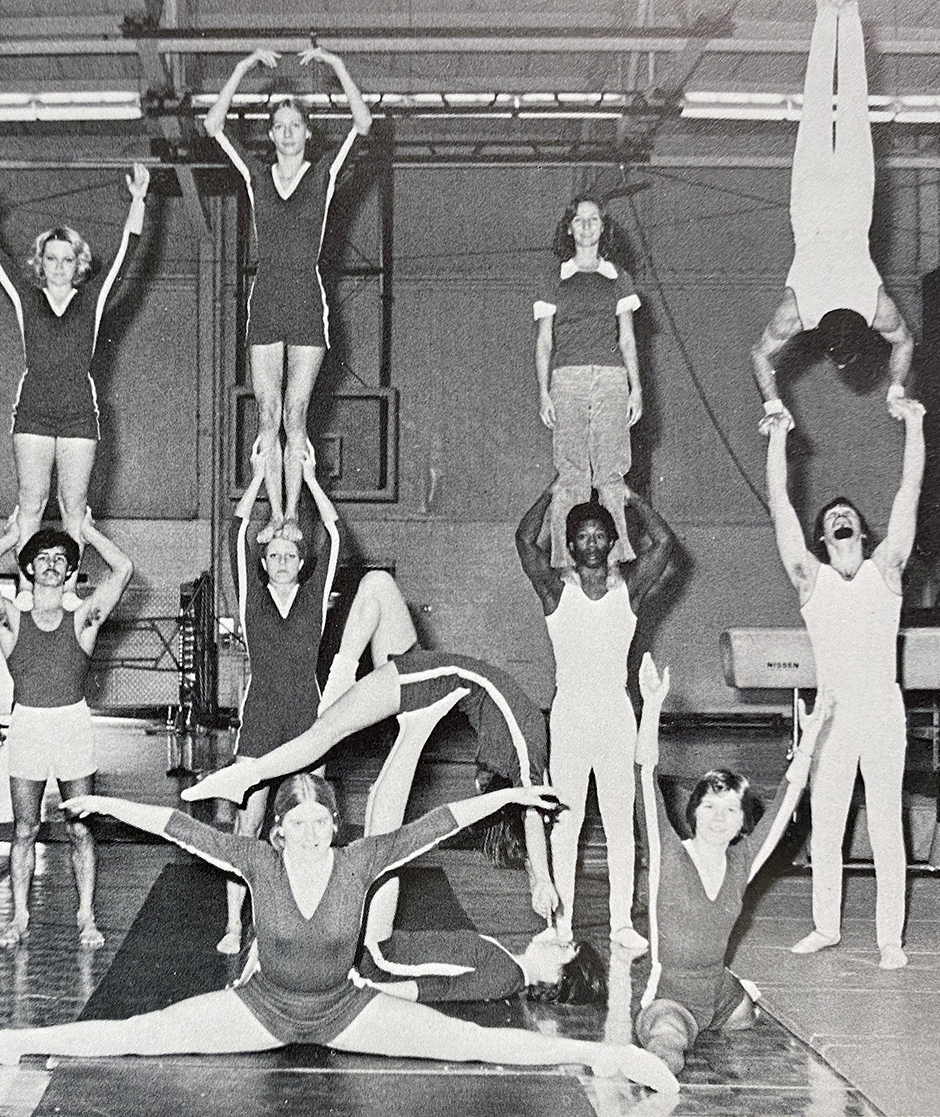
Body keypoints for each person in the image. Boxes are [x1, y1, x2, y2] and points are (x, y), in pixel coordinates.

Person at [0, 773, 677, 1094]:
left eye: (319, 821)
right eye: (295, 822)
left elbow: (440, 825)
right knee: (139, 1032)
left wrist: (512, 796)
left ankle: (610, 1057)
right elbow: (176, 826)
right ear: (279, 830)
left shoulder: (361, 860)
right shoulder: (256, 860)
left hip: (344, 1009)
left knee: (475, 1047)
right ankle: (19, 1042)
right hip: (262, 1008)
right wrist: (104, 804)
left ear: (335, 825)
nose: (307, 832)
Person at [183, 598, 560, 923]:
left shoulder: (520, 752)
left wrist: (540, 882)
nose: (480, 782)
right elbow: (532, 811)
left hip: (432, 675)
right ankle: (249, 775)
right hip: (431, 679)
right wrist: (543, 879)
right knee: (325, 732)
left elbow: (529, 822)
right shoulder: (528, 751)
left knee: (378, 587)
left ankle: (338, 680)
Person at [763, 394, 926, 969]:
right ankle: (826, 927)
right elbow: (780, 504)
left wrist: (914, 427)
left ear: (860, 528)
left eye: (847, 511)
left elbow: (909, 495)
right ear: (824, 534)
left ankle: (889, 940)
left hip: (882, 710)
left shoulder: (887, 571)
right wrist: (779, 436)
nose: (839, 513)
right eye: (830, 515)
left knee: (886, 824)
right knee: (826, 826)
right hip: (831, 715)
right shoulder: (811, 581)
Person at [632, 653, 831, 1075]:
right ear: (693, 811)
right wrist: (651, 708)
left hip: (722, 992)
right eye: (709, 807)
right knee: (668, 1045)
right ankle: (658, 1076)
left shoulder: (743, 860)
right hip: (671, 996)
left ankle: (744, 1003)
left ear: (743, 823)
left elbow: (784, 806)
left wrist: (810, 740)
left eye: (730, 811)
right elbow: (644, 775)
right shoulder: (669, 852)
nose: (718, 818)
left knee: (759, 1033)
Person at [205, 47, 373, 544]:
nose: (286, 133)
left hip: (306, 299)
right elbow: (213, 125)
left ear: (306, 132)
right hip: (266, 300)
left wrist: (338, 65)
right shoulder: (257, 176)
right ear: (271, 133)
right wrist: (238, 69)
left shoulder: (322, 175)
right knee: (267, 414)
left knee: (296, 415)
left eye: (294, 125)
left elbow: (362, 123)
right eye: (278, 125)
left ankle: (294, 515)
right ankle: (274, 513)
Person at [0, 161, 149, 608]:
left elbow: (128, 252)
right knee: (31, 501)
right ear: (41, 263)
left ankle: (66, 587)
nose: (60, 266)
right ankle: (28, 586)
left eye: (68, 259)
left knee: (74, 507)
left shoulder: (93, 300)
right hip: (33, 411)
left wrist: (139, 200)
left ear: (79, 264)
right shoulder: (26, 296)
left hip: (79, 415)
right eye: (52, 258)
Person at [516, 482, 677, 951]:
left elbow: (665, 543)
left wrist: (631, 500)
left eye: (599, 536)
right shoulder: (554, 593)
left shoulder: (629, 592)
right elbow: (524, 541)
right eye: (581, 537)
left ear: (613, 542)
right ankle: (560, 923)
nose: (590, 544)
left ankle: (621, 922)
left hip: (614, 714)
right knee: (566, 821)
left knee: (619, 822)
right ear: (569, 545)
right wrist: (552, 490)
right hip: (568, 716)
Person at [0, 510, 134, 949]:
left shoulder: (83, 620)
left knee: (80, 827)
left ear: (71, 569)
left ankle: (87, 918)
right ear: (30, 568)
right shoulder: (10, 621)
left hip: (72, 723)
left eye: (62, 558)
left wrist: (90, 530)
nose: (53, 563)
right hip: (28, 727)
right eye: (44, 557)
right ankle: (19, 918)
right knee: (25, 829)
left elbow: (124, 570)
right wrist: (13, 536)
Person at [753, 0, 914, 431]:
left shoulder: (875, 308)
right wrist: (772, 404)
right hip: (810, 205)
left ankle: (848, 12)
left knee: (855, 108)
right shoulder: (798, 312)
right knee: (818, 108)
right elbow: (758, 356)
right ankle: (828, 12)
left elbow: (904, 344)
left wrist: (896, 388)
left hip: (854, 200)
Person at [216, 439, 340, 954]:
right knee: (249, 825)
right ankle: (232, 925)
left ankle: (308, 921)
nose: (283, 560)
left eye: (291, 554)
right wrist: (259, 474)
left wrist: (309, 478)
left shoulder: (314, 597)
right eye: (274, 555)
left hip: (309, 722)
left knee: (310, 820)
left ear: (300, 561)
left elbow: (332, 534)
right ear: (264, 563)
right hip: (262, 722)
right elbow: (237, 531)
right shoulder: (252, 599)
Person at [533, 196, 643, 565]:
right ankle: (565, 559)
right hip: (567, 379)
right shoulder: (555, 277)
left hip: (612, 378)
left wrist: (636, 388)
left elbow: (627, 338)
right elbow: (544, 341)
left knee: (611, 471)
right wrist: (544, 392)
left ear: (602, 227)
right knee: (572, 472)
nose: (586, 226)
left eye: (593, 220)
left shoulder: (618, 277)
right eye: (579, 220)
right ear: (569, 227)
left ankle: (620, 554)